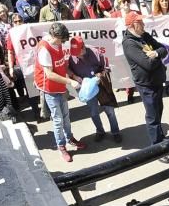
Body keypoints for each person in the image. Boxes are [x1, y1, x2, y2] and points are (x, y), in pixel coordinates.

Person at [121, 11, 169, 163]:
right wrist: (157, 56)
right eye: (140, 22)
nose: (143, 24)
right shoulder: (129, 43)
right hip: (146, 84)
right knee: (152, 115)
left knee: (159, 109)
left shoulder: (144, 35)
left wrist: (155, 54)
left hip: (156, 80)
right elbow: (147, 64)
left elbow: (164, 49)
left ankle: (160, 137)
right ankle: (156, 149)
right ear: (132, 25)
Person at [35, 22, 85, 163]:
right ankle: (61, 146)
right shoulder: (44, 49)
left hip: (60, 86)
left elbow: (62, 65)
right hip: (50, 88)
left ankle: (69, 138)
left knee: (66, 116)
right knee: (58, 120)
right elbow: (49, 75)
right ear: (54, 36)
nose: (63, 43)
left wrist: (73, 76)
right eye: (61, 40)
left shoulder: (58, 43)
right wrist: (70, 82)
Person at [68, 36, 121, 143]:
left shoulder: (95, 52)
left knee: (110, 110)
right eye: (75, 52)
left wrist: (99, 76)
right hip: (87, 89)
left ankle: (115, 132)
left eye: (78, 52)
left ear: (83, 48)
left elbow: (106, 67)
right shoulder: (72, 57)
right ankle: (100, 131)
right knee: (93, 112)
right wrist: (74, 76)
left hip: (100, 85)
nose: (76, 54)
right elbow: (67, 69)